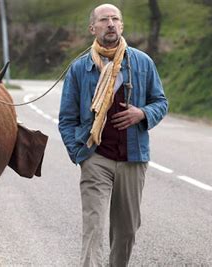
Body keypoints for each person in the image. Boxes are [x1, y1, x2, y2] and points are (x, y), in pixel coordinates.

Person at [58, 3, 168, 266]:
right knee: (93, 226)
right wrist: (79, 154)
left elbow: (161, 102)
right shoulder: (79, 69)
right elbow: (67, 119)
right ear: (92, 28)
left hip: (133, 157)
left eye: (115, 19)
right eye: (104, 19)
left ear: (121, 25)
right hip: (96, 156)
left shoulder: (142, 62)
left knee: (127, 230)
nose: (110, 24)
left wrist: (142, 114)